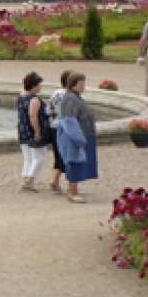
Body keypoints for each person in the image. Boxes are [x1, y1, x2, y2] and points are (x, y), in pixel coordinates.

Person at [59, 72, 98, 203]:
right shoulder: (71, 99)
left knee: (79, 162)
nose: (83, 86)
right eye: (81, 83)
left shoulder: (75, 97)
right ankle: (72, 192)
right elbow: (69, 121)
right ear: (73, 84)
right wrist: (79, 139)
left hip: (83, 135)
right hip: (75, 138)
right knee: (74, 162)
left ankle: (73, 189)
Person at [17, 72, 49, 193]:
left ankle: (26, 178)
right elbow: (33, 115)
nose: (40, 87)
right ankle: (30, 179)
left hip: (23, 129)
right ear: (34, 85)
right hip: (32, 129)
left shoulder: (21, 96)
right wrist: (37, 131)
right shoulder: (34, 99)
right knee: (39, 156)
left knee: (28, 157)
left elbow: (19, 113)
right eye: (39, 84)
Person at [45, 70, 72, 195]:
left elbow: (48, 111)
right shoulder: (71, 96)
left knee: (58, 155)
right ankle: (70, 185)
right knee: (68, 155)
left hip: (54, 126)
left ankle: (54, 180)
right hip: (66, 127)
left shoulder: (55, 93)